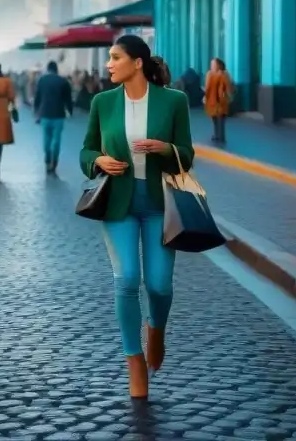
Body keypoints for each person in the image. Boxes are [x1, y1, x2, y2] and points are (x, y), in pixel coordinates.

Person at [79, 34, 194, 400]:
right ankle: (135, 364)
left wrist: (166, 148)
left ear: (137, 63)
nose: (109, 64)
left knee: (159, 285)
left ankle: (156, 329)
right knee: (127, 279)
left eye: (115, 58)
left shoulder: (174, 101)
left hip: (161, 205)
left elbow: (187, 155)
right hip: (118, 205)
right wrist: (98, 160)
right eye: (109, 58)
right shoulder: (102, 102)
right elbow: (86, 150)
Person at [33, 60, 73, 174]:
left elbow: (37, 97)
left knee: (46, 139)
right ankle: (54, 162)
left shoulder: (42, 80)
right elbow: (68, 99)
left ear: (48, 69)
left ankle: (47, 156)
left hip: (45, 114)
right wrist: (70, 111)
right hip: (59, 115)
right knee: (56, 140)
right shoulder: (63, 81)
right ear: (56, 69)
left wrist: (36, 111)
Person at [204, 57, 232, 144]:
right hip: (211, 101)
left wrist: (228, 97)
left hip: (220, 101)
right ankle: (216, 135)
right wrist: (205, 97)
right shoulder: (209, 74)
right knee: (214, 119)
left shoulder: (224, 74)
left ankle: (221, 137)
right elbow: (207, 87)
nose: (212, 66)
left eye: (214, 64)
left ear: (219, 65)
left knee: (221, 119)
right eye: (211, 64)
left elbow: (228, 87)